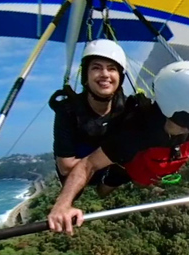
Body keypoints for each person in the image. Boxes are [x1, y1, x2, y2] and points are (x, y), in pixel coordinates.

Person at [47, 61, 189, 234]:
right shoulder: (137, 132)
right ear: (184, 112)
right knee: (107, 189)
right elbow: (88, 164)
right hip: (129, 163)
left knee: (146, 180)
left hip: (157, 165)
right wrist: (63, 205)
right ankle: (111, 182)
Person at [49, 39, 134, 196]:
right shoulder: (68, 111)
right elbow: (66, 167)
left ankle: (105, 188)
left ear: (119, 78)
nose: (105, 75)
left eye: (111, 69)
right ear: (86, 76)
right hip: (77, 174)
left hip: (105, 170)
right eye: (96, 68)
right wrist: (117, 157)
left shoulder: (127, 108)